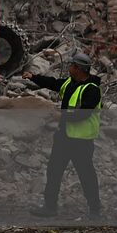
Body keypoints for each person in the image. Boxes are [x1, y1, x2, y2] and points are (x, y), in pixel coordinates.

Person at [21, 51, 102, 219]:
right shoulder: (69, 83)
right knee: (54, 172)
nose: (69, 68)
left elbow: (84, 114)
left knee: (86, 175)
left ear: (79, 69)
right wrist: (33, 77)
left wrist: (61, 116)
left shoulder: (91, 90)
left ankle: (95, 209)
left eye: (72, 66)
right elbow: (53, 83)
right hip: (64, 138)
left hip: (81, 141)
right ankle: (50, 207)